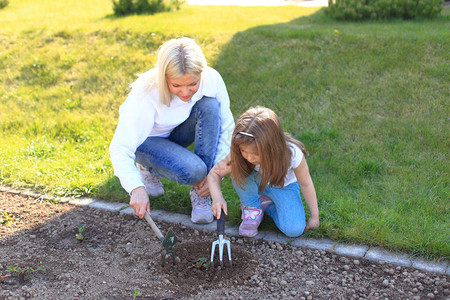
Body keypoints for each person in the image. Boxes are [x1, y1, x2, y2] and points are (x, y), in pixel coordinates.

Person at [109, 37, 234, 224]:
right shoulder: (145, 93)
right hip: (147, 142)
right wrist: (135, 187)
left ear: (201, 73)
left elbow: (227, 127)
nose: (185, 92)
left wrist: (215, 176)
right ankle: (146, 166)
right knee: (195, 170)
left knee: (210, 106)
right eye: (176, 85)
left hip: (177, 132)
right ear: (164, 77)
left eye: (192, 84)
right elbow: (119, 148)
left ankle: (201, 192)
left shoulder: (211, 79)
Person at [207, 106, 319, 237]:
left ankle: (266, 205)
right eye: (244, 151)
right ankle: (252, 209)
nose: (249, 157)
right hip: (256, 182)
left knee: (294, 230)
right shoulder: (239, 153)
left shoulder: (292, 154)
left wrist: (314, 217)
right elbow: (214, 174)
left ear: (272, 147)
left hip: (284, 187)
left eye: (255, 153)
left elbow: (306, 184)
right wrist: (217, 198)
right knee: (240, 170)